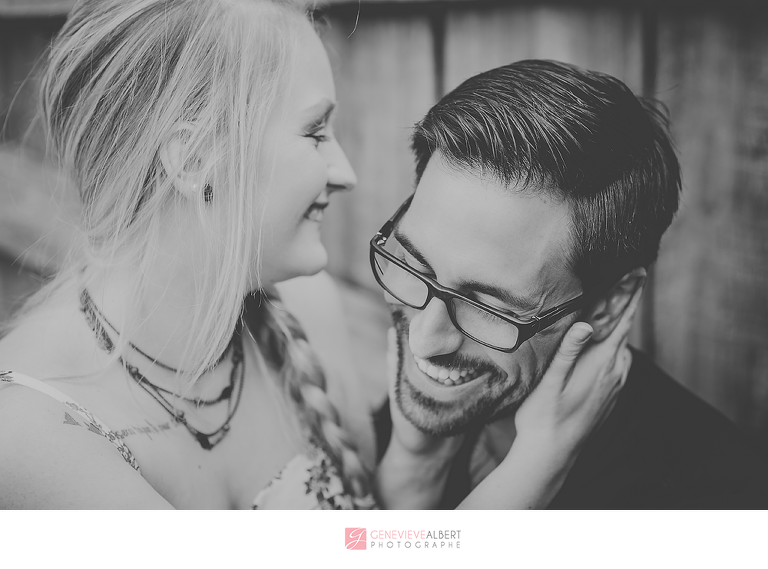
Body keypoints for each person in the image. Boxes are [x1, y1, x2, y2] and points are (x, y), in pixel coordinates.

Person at [0, 0, 627, 510]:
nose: (344, 171)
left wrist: (411, 465)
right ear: (193, 159)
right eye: (315, 131)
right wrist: (538, 466)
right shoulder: (32, 438)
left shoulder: (304, 304)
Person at [372, 59, 768, 509]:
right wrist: (413, 470)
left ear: (607, 307)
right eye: (413, 265)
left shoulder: (713, 508)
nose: (425, 341)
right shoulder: (426, 407)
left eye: (489, 307)